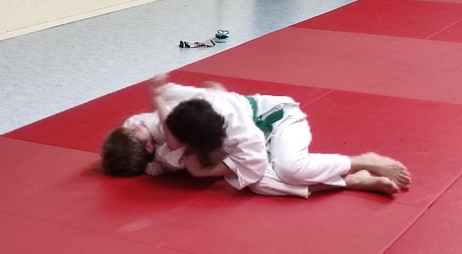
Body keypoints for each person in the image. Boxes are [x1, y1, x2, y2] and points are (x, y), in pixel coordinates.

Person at [101, 74, 411, 197]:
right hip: (227, 121)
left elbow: (252, 166)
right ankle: (350, 182)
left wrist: (202, 171)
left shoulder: (239, 133)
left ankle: (359, 161)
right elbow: (156, 127)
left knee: (288, 169)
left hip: (278, 120)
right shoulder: (170, 117)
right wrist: (154, 163)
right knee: (261, 184)